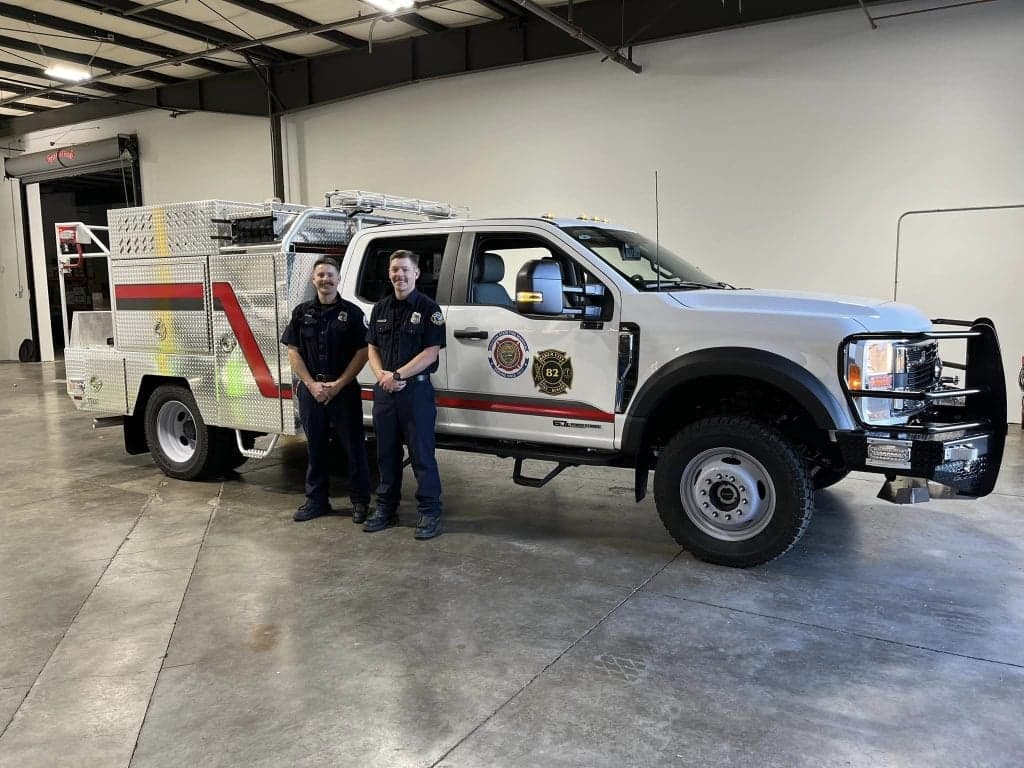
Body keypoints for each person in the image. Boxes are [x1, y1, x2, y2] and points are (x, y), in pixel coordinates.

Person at [281, 256, 372, 523]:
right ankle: (316, 501)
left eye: (330, 274)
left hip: (343, 390)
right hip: (312, 390)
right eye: (320, 275)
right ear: (313, 279)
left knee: (353, 447)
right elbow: (293, 350)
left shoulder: (353, 314)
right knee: (315, 447)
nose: (325, 279)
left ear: (339, 279)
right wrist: (311, 384)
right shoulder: (301, 313)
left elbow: (363, 351)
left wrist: (339, 384)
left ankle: (360, 502)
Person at [363, 249, 446, 540]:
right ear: (390, 273)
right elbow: (372, 346)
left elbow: (430, 353)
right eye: (395, 269)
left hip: (416, 392)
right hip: (386, 392)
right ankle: (386, 509)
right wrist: (382, 376)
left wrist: (398, 375)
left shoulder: (429, 309)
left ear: (416, 273)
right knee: (385, 455)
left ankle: (430, 512)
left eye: (405, 270)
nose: (400, 275)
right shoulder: (380, 308)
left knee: (422, 455)